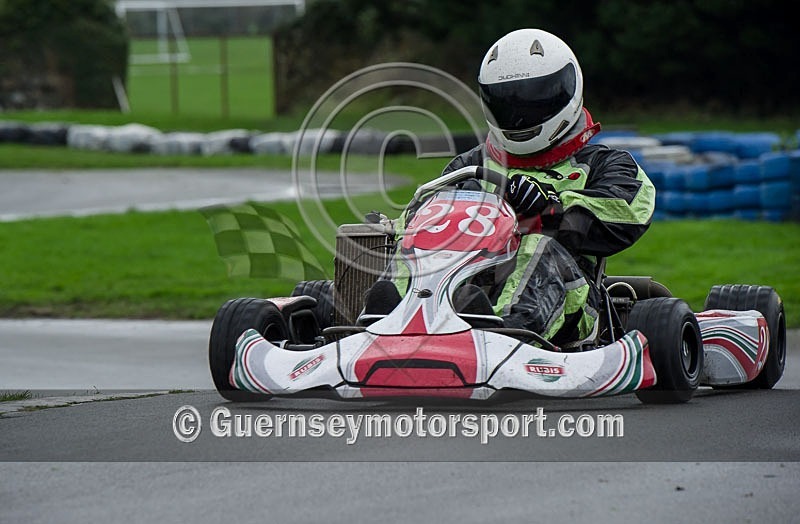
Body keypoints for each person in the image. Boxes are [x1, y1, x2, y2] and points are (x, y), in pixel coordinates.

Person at [434, 28, 655, 348]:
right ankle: (383, 318)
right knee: (406, 248)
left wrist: (552, 209)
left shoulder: (606, 164)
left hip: (569, 302)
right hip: (467, 285)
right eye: (508, 103)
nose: (520, 116)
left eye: (535, 100)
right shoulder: (468, 166)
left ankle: (503, 336)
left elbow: (629, 209)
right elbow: (432, 217)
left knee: (539, 246)